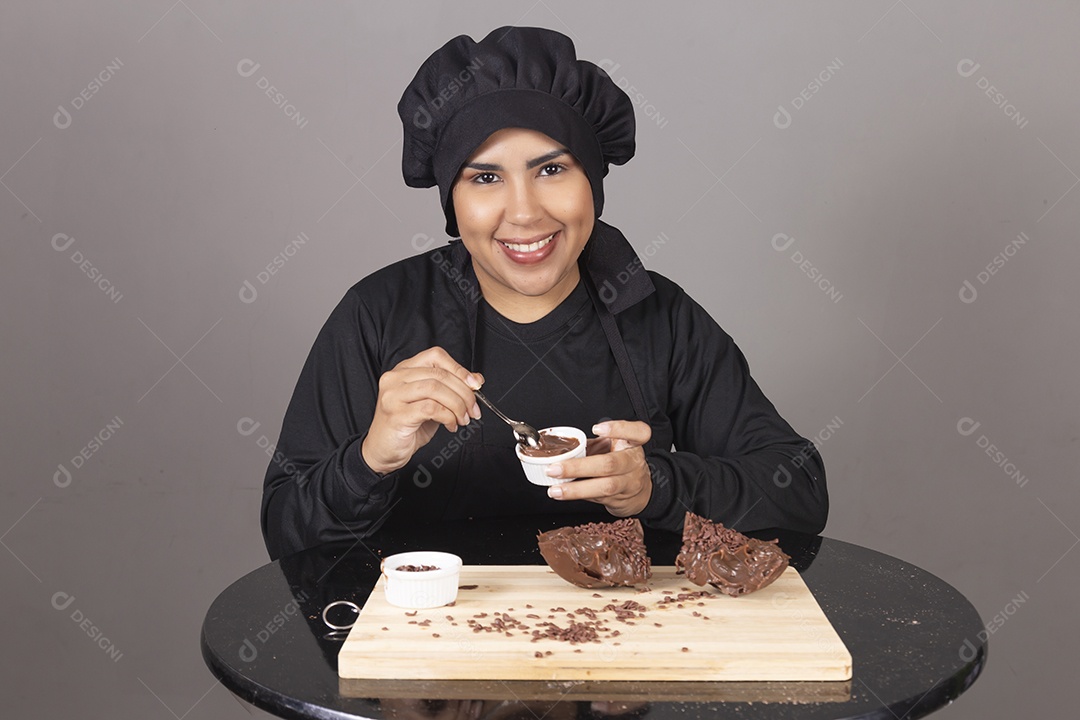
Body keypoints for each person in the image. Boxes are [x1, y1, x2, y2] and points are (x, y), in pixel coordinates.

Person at [260, 26, 827, 560]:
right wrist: (371, 460)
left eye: (552, 169)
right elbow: (287, 530)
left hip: (623, 647)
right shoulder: (378, 313)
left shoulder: (660, 316)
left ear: (593, 184)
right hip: (430, 650)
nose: (526, 212)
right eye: (485, 178)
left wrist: (655, 486)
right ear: (452, 203)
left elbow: (798, 489)